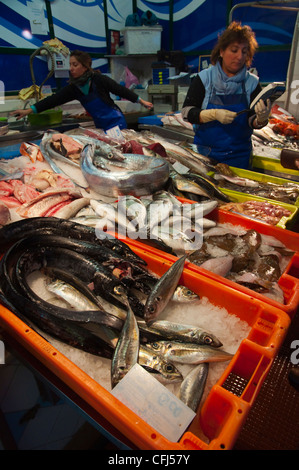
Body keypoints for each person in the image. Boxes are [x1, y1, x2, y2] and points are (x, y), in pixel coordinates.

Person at [181, 21, 271, 169]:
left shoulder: (252, 83)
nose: (240, 56)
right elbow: (186, 113)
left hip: (239, 157)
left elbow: (252, 120)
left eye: (244, 51)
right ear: (221, 51)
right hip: (204, 156)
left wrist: (261, 119)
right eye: (234, 50)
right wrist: (213, 114)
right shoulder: (204, 79)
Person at [11, 50, 153, 132]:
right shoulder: (74, 88)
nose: (71, 68)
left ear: (85, 66)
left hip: (116, 122)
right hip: (100, 126)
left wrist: (141, 101)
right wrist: (29, 111)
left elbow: (120, 90)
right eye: (70, 65)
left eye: (75, 64)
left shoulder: (98, 79)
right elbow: (53, 100)